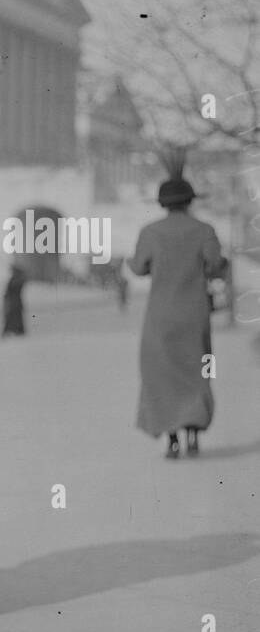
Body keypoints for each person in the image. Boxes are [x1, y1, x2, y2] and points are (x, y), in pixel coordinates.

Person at [128, 157, 223, 458]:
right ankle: (193, 434)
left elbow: (139, 267)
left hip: (160, 316)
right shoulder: (205, 230)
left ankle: (171, 438)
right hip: (194, 314)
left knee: (160, 373)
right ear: (190, 201)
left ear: (162, 203)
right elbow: (215, 265)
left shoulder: (150, 232)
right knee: (197, 371)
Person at [2, 263, 27, 336]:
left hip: (14, 303)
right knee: (12, 317)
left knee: (15, 317)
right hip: (13, 303)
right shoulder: (14, 279)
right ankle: (12, 330)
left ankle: (17, 331)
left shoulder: (17, 280)